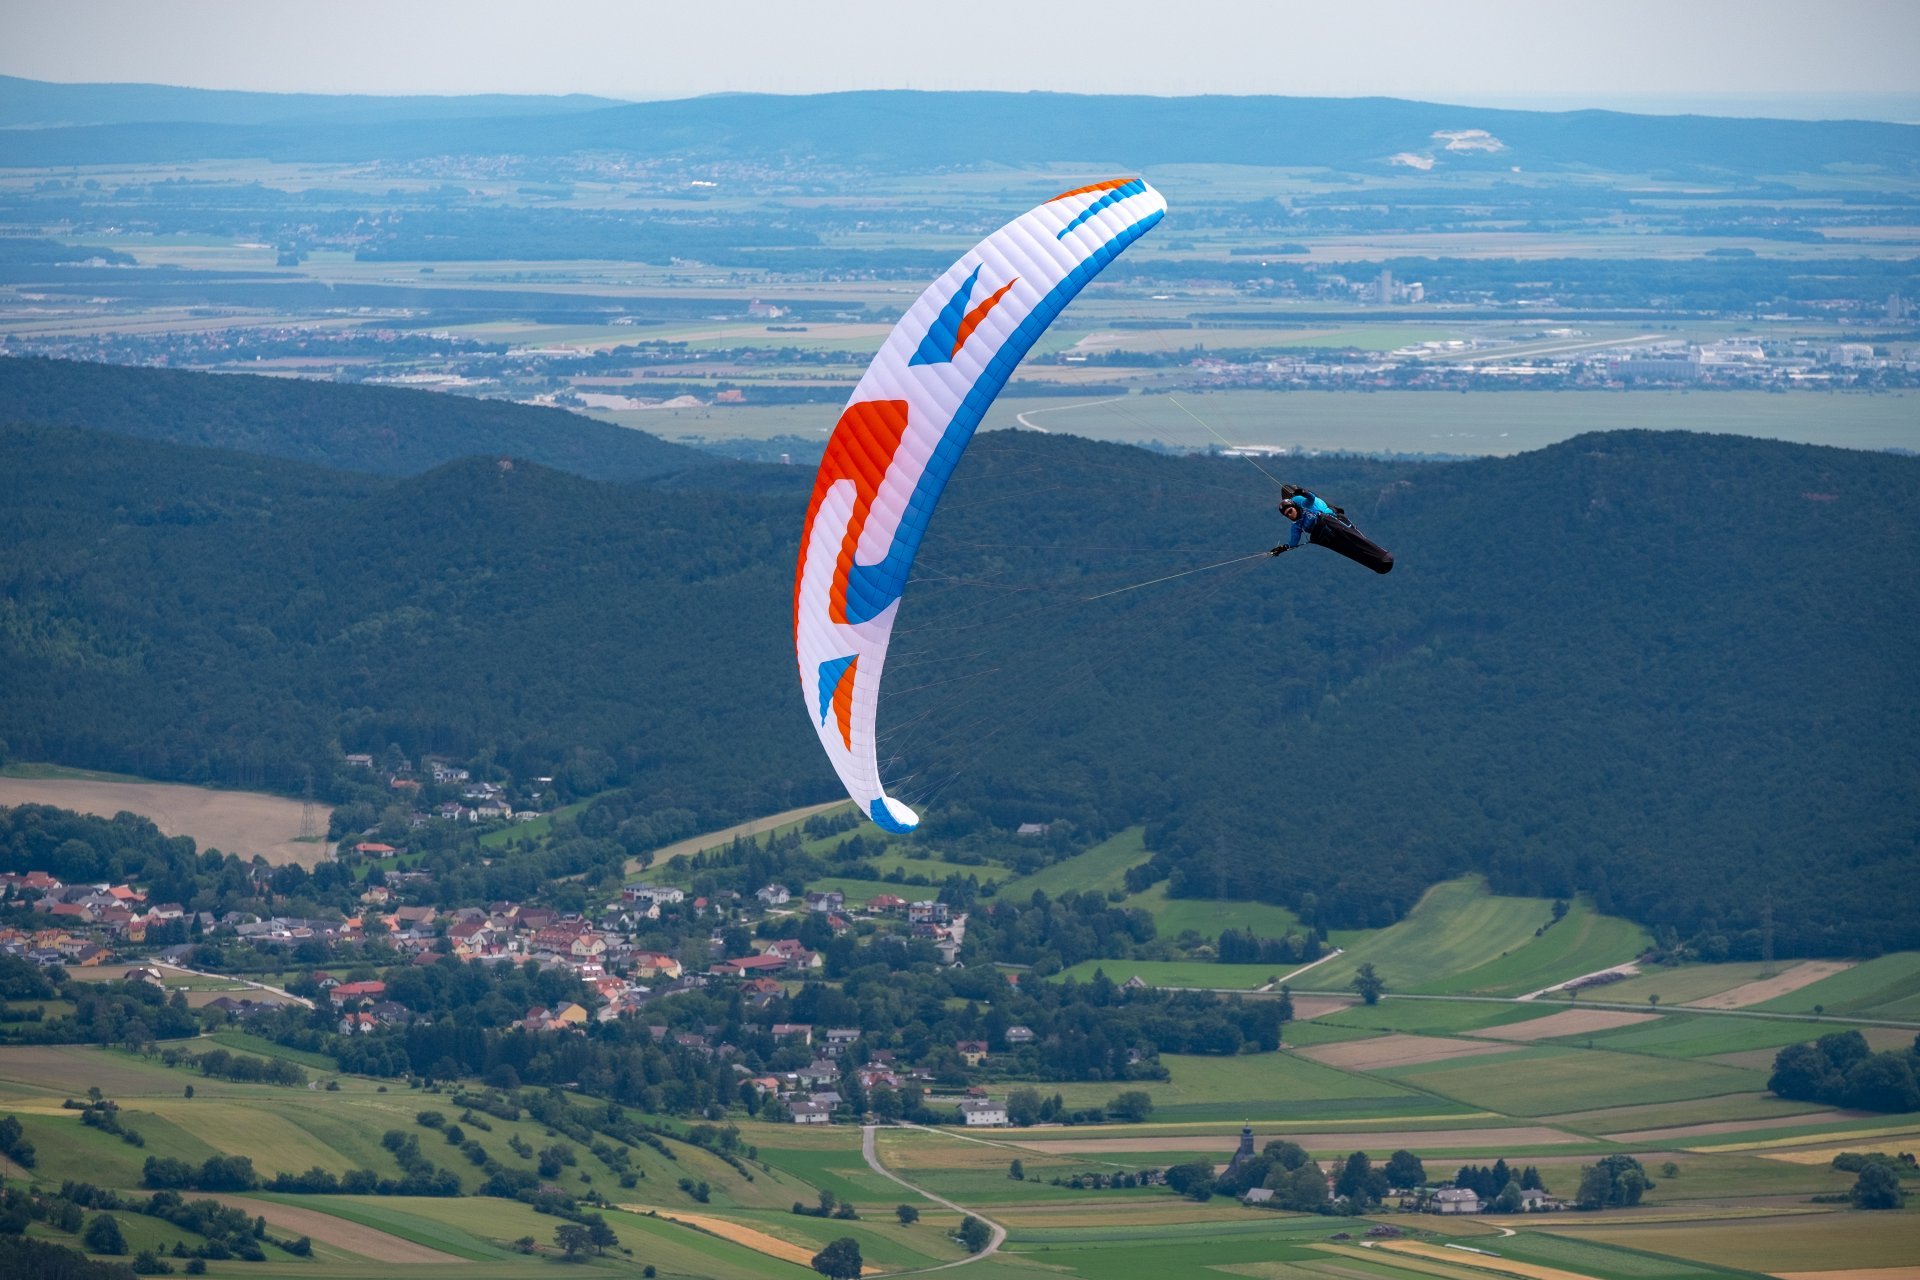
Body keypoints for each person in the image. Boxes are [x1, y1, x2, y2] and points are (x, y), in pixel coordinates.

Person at [1270, 483, 1394, 574]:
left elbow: (1311, 498)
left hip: (1333, 522)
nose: (1290, 514)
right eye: (1287, 515)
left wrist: (1303, 492)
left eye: (1290, 511)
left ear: (1295, 506)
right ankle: (1378, 565)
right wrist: (1283, 548)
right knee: (1348, 548)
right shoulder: (1296, 526)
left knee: (1356, 538)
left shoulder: (1305, 505)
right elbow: (1293, 542)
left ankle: (1382, 556)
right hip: (1325, 534)